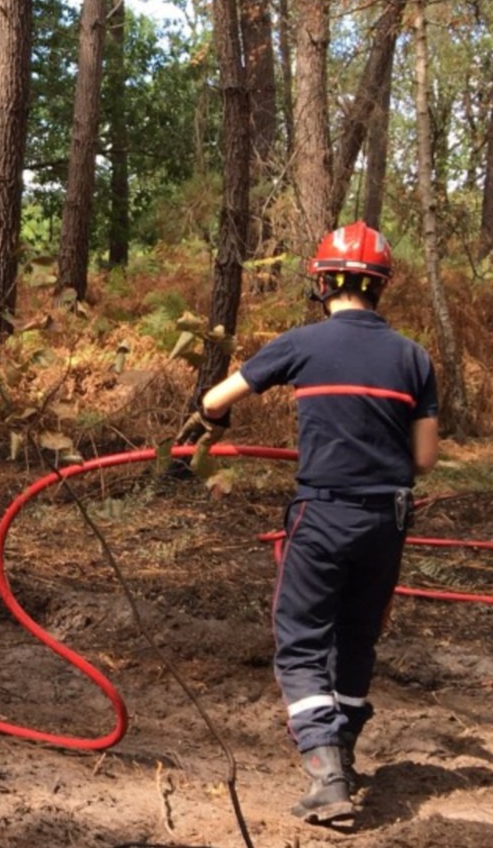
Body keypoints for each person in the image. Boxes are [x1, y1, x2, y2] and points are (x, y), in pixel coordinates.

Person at [185, 220, 439, 826]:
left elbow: (218, 400)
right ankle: (343, 753)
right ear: (381, 286)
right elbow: (425, 457)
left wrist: (208, 424)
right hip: (387, 518)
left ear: (322, 281)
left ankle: (326, 773)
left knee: (300, 639)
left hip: (323, 512)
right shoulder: (413, 356)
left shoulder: (302, 343)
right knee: (356, 636)